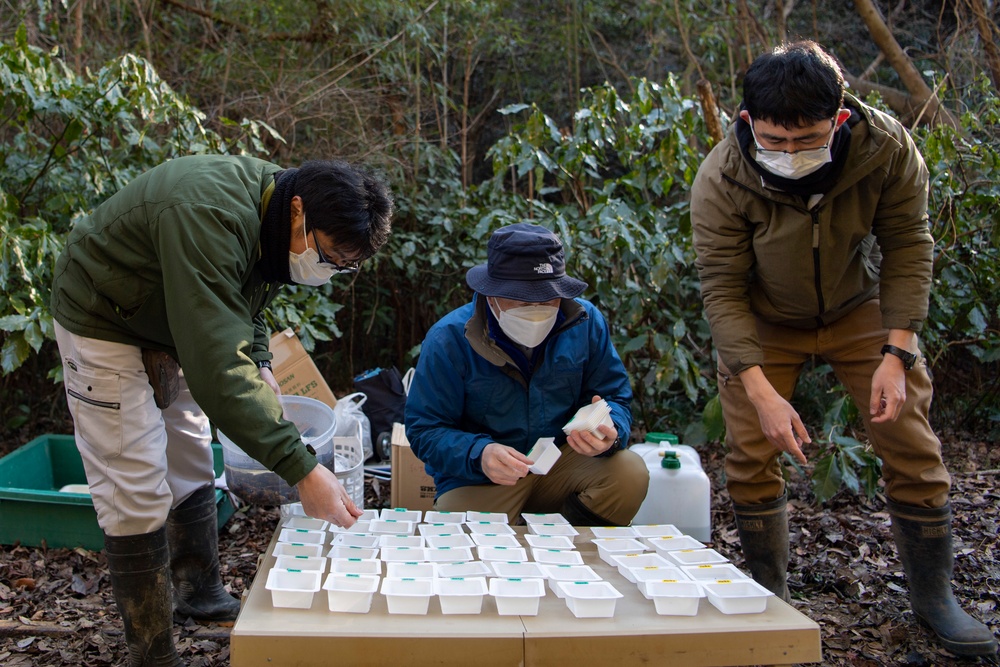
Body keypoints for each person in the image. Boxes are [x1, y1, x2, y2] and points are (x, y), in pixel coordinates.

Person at [691, 41, 996, 656]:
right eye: (776, 141)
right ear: (751, 123)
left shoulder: (885, 150)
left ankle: (936, 597)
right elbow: (721, 289)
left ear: (839, 117)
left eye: (808, 139)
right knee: (750, 451)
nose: (792, 154)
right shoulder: (722, 176)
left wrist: (898, 351)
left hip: (860, 307)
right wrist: (759, 392)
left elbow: (910, 243)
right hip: (762, 317)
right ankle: (769, 592)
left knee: (908, 436)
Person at [50, 154, 393, 666]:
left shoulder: (280, 207)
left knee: (189, 454)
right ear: (299, 212)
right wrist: (301, 470)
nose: (330, 270)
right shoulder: (211, 214)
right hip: (105, 314)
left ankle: (198, 589)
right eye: (330, 257)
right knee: (135, 482)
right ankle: (154, 652)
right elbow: (217, 367)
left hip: (175, 314)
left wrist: (259, 358)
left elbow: (242, 296)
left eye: (346, 265)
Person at [405, 222, 649, 526]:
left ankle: (568, 548)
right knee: (459, 529)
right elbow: (424, 429)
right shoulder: (449, 339)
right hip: (483, 479)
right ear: (491, 294)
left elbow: (615, 397)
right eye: (522, 300)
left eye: (548, 299)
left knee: (629, 474)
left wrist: (610, 431)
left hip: (563, 465)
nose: (537, 310)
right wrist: (479, 453)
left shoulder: (586, 322)